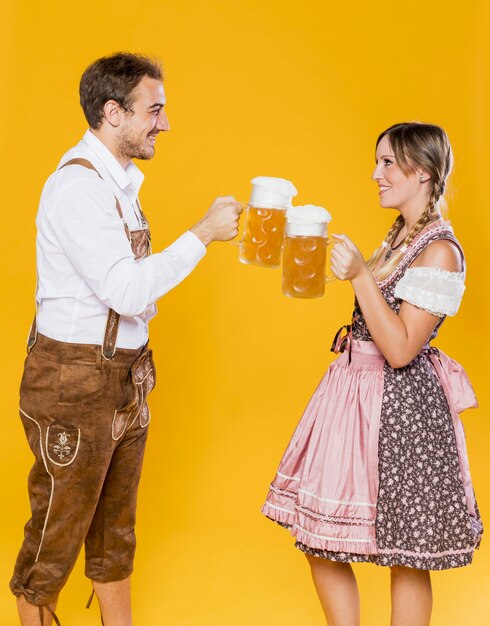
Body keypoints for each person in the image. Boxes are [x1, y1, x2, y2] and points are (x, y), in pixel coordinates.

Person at [11, 52, 242, 626]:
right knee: (54, 540)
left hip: (124, 376)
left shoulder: (121, 184)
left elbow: (131, 293)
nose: (163, 123)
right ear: (113, 113)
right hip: (73, 381)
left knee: (116, 536)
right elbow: (125, 290)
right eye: (154, 110)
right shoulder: (78, 188)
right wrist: (202, 234)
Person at [261, 122, 482, 626]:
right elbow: (379, 321)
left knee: (405, 552)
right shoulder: (404, 236)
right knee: (320, 536)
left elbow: (403, 348)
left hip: (403, 412)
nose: (375, 174)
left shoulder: (440, 250)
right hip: (358, 399)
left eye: (387, 163)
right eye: (376, 161)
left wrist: (361, 274)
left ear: (422, 172)